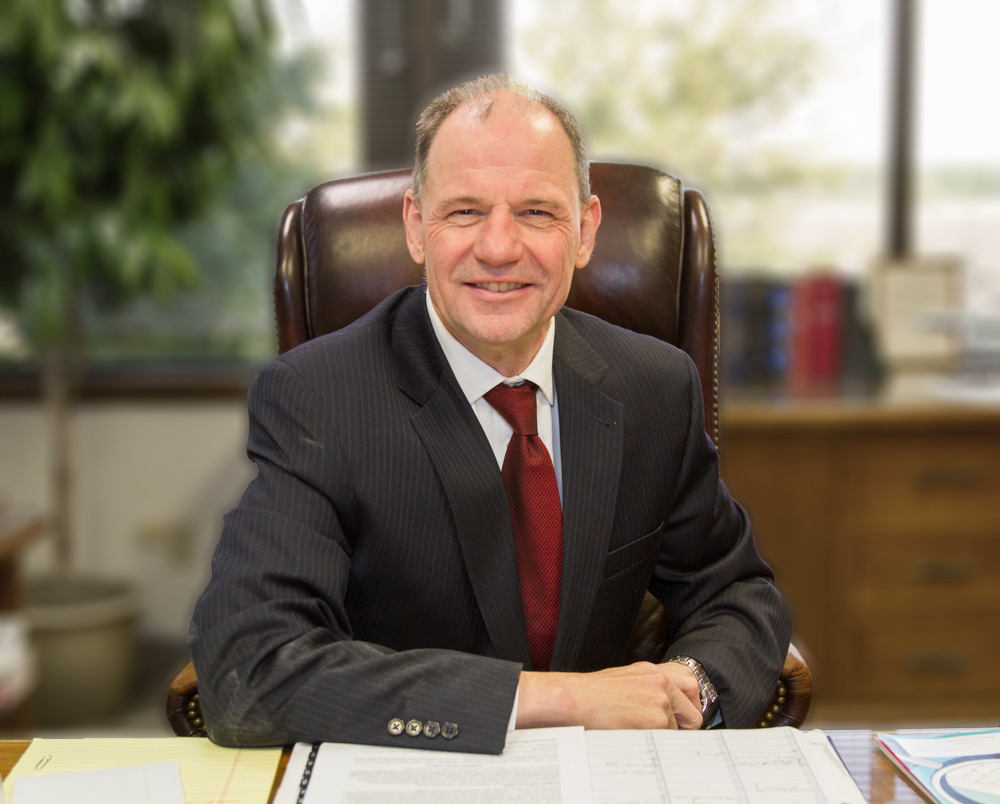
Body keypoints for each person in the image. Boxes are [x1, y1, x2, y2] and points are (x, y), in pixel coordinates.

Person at [189, 74, 791, 755]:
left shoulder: (654, 388)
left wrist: (689, 689)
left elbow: (737, 593)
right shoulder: (319, 399)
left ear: (585, 231)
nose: (499, 248)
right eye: (465, 211)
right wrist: (561, 700)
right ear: (416, 226)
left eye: (536, 212)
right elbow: (249, 672)